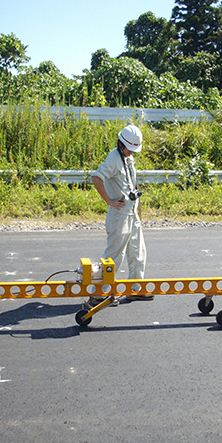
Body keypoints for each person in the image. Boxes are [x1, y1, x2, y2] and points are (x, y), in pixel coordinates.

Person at [88, 124, 152, 306]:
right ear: (121, 144)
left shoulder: (127, 158)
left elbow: (133, 184)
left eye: (134, 149)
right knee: (114, 256)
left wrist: (138, 211)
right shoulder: (114, 158)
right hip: (119, 216)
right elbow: (96, 177)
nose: (132, 152)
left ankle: (135, 289)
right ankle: (98, 295)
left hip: (131, 214)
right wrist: (109, 201)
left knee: (138, 253)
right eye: (130, 148)